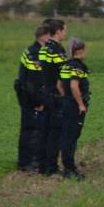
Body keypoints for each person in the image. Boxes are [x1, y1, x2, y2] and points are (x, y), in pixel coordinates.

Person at [15, 25, 50, 172]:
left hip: (26, 96)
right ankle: (28, 162)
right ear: (44, 36)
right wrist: (39, 102)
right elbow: (35, 82)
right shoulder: (35, 54)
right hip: (31, 98)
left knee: (28, 129)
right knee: (32, 130)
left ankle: (26, 161)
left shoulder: (30, 50)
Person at [39, 19, 68, 175]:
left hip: (46, 93)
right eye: (64, 30)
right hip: (56, 96)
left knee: (45, 131)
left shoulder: (44, 48)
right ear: (58, 31)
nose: (66, 33)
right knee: (55, 133)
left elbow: (44, 72)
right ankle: (52, 167)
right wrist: (65, 96)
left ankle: (42, 166)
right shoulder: (57, 50)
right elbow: (59, 78)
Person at [59, 38, 90, 180]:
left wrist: (66, 98)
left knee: (67, 135)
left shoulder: (66, 65)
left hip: (66, 104)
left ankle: (68, 166)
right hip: (74, 107)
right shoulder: (78, 66)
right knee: (71, 137)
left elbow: (59, 84)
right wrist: (80, 104)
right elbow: (73, 86)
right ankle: (69, 170)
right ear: (81, 51)